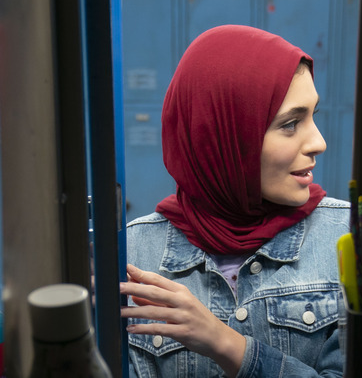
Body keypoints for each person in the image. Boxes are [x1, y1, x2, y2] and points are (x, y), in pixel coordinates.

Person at [120, 25, 348, 377]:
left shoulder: (346, 239)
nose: (318, 142)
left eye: (312, 117)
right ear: (225, 135)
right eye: (290, 124)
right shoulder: (134, 255)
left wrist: (227, 345)